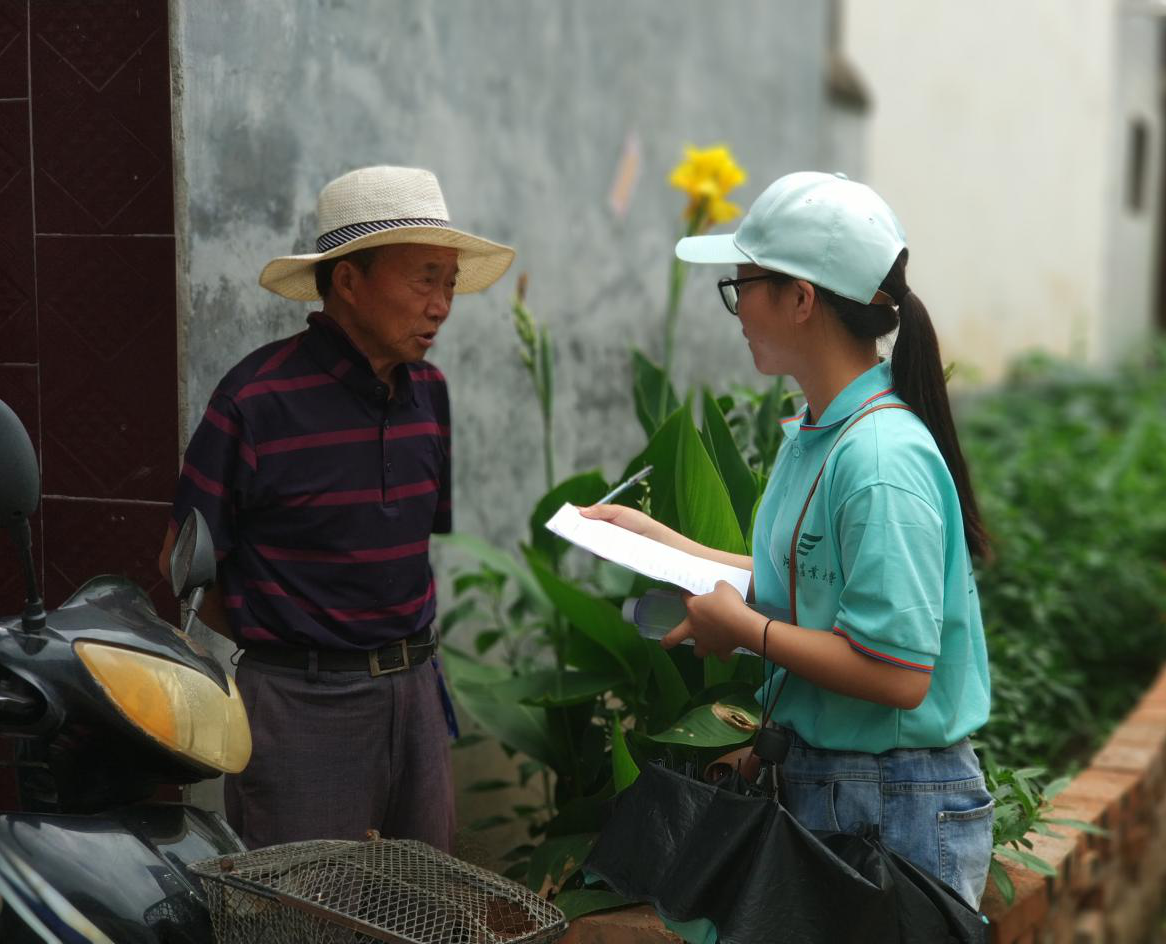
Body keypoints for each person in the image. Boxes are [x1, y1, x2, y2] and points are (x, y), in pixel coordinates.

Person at [583, 171, 994, 909]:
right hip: (850, 790)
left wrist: (741, 628)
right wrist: (658, 541)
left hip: (889, 806)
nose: (736, 309)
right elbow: (810, 578)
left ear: (800, 299)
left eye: (742, 285)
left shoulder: (876, 460)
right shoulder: (824, 434)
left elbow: (897, 672)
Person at [157, 165, 514, 850]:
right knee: (307, 915)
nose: (442, 304)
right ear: (349, 280)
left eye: (448, 281)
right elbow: (181, 564)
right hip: (300, 708)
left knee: (425, 907)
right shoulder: (256, 401)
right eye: (423, 279)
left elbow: (406, 554)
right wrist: (293, 646)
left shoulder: (428, 394)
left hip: (416, 694)